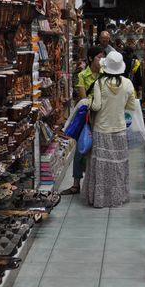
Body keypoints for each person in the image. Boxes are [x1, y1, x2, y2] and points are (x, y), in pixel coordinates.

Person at [82, 50, 136, 209]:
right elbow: (131, 106)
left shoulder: (99, 83)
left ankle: (100, 199)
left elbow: (97, 106)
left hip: (101, 128)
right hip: (119, 128)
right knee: (118, 165)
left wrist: (89, 102)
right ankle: (117, 197)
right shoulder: (128, 83)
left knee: (102, 165)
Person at [61, 45, 104, 195]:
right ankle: (76, 184)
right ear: (91, 58)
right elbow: (83, 98)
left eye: (103, 57)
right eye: (99, 57)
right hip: (88, 116)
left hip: (103, 116)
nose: (102, 60)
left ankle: (98, 182)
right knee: (81, 147)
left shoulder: (105, 74)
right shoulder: (83, 75)